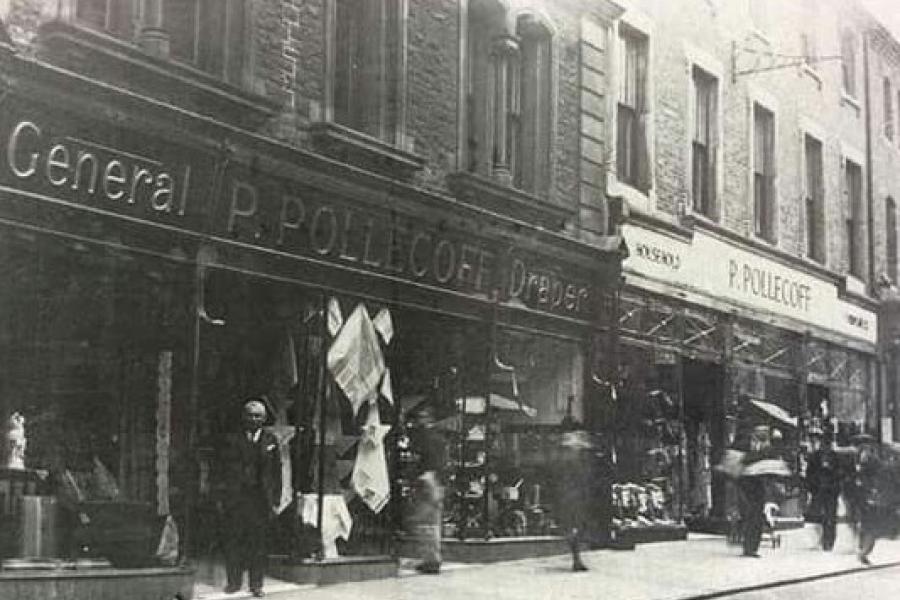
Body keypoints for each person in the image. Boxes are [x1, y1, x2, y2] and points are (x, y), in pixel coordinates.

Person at [215, 399, 282, 597]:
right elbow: (221, 471)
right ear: (243, 417)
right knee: (234, 540)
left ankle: (256, 585)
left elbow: (277, 473)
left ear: (264, 418)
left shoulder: (271, 440)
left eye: (258, 416)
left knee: (258, 543)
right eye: (250, 415)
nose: (254, 419)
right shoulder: (231, 439)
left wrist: (276, 500)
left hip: (260, 499)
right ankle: (233, 582)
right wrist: (221, 497)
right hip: (236, 498)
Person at [410, 405, 446, 574]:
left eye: (423, 417)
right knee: (432, 522)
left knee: (425, 522)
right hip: (436, 480)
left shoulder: (427, 437)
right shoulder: (439, 437)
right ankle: (433, 558)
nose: (420, 420)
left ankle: (431, 561)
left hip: (429, 479)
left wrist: (426, 478)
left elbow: (427, 461)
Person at [805, 428, 841, 551]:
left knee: (830, 516)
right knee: (817, 516)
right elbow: (809, 473)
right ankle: (822, 539)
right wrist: (811, 487)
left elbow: (840, 473)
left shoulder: (835, 457)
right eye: (824, 443)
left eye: (827, 443)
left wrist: (832, 471)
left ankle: (828, 542)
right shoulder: (815, 456)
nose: (825, 446)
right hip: (818, 489)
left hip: (831, 490)